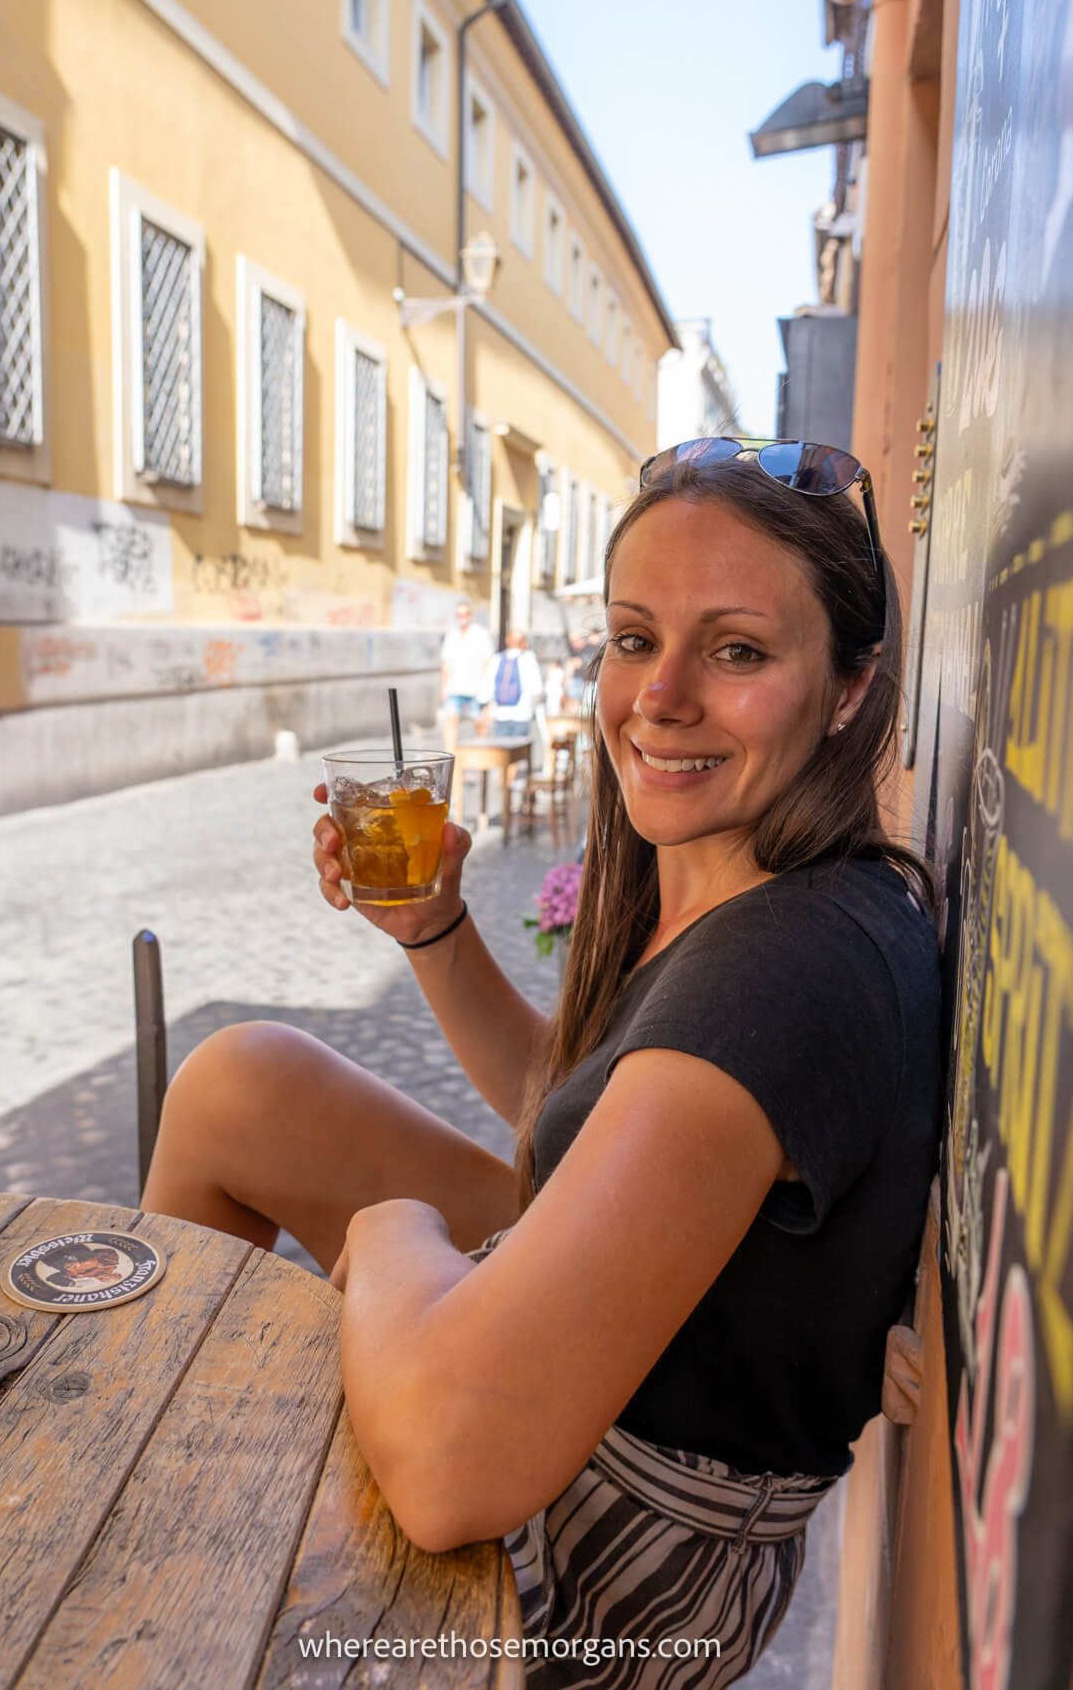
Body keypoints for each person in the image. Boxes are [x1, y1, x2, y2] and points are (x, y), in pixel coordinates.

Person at [141, 438, 942, 1687]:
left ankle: (158, 1574)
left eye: (737, 651)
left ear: (849, 689)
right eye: (634, 638)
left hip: (619, 1549)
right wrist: (437, 932)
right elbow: (570, 1110)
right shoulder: (732, 890)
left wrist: (392, 1244)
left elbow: (458, 1468)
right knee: (243, 1083)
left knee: (381, 1311)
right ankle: (153, 1474)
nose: (660, 695)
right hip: (631, 1368)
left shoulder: (791, 964)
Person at [439, 600, 494, 750]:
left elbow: (488, 663)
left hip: (476, 688)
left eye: (465, 614)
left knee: (480, 725)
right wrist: (443, 687)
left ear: (471, 615)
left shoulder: (481, 634)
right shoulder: (452, 634)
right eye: (459, 614)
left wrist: (487, 691)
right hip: (454, 687)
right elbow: (445, 663)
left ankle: (482, 758)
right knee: (450, 723)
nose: (462, 617)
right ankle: (450, 757)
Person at [477, 627, 543, 741]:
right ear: (523, 642)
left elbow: (487, 686)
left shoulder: (497, 658)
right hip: (522, 714)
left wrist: (485, 705)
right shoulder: (528, 659)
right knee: (519, 752)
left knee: (503, 753)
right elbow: (537, 689)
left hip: (500, 714)